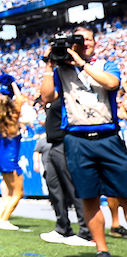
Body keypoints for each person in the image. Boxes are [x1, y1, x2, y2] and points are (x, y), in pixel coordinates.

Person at [41, 25, 127, 257]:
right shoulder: (60, 70)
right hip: (77, 140)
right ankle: (102, 251)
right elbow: (47, 97)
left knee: (125, 194)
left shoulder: (105, 64)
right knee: (89, 197)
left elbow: (111, 83)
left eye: (88, 39)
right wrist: (49, 65)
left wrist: (81, 63)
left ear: (94, 43)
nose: (84, 43)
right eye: (79, 40)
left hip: (107, 136)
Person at [37, 93, 93, 245]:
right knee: (54, 185)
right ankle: (63, 227)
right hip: (53, 144)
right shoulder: (54, 97)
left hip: (65, 142)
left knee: (72, 187)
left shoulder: (68, 93)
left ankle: (86, 231)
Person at [0, 75, 26, 230]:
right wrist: (14, 83)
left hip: (0, 157)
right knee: (18, 192)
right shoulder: (13, 118)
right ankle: (4, 219)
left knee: (9, 192)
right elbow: (20, 100)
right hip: (10, 159)